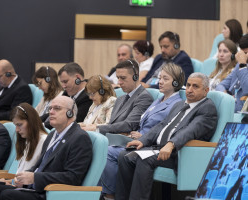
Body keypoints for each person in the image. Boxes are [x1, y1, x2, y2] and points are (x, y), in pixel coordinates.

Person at [116, 72, 218, 200]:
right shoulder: (180, 104)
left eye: (195, 86)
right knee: (124, 155)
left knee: (144, 159)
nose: (190, 90)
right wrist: (142, 140)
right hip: (158, 148)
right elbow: (162, 125)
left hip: (179, 154)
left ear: (206, 90)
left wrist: (171, 144)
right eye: (188, 85)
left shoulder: (207, 108)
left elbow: (191, 131)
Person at [0, 96, 93, 200]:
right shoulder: (52, 135)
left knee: (7, 195)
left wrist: (35, 178)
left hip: (50, 192)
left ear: (70, 113)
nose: (51, 112)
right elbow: (39, 166)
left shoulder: (79, 138)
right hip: (35, 188)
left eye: (57, 108)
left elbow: (73, 177)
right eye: (50, 108)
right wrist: (21, 180)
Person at [99, 63, 184, 199]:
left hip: (150, 144)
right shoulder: (158, 100)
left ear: (175, 82)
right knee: (102, 147)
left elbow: (165, 128)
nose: (160, 82)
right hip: (138, 139)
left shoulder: (176, 103)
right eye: (160, 78)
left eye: (165, 79)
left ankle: (111, 196)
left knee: (109, 152)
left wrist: (143, 136)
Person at [0, 103, 47, 184]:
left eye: (19, 125)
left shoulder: (44, 141)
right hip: (18, 186)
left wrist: (7, 183)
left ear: (31, 121)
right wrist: (0, 180)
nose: (17, 130)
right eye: (15, 125)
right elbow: (17, 179)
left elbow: (33, 179)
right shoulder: (28, 141)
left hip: (27, 189)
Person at [82, 59, 153, 134]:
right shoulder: (120, 99)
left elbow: (129, 125)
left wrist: (96, 128)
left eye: (123, 78)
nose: (119, 82)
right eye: (118, 78)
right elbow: (111, 124)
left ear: (135, 76)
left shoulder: (144, 97)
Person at [216, 34, 248, 112]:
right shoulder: (239, 65)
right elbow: (221, 85)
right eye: (242, 52)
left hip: (242, 113)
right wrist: (227, 96)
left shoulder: (241, 64)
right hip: (230, 108)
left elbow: (247, 89)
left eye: (246, 52)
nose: (242, 56)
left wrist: (243, 65)